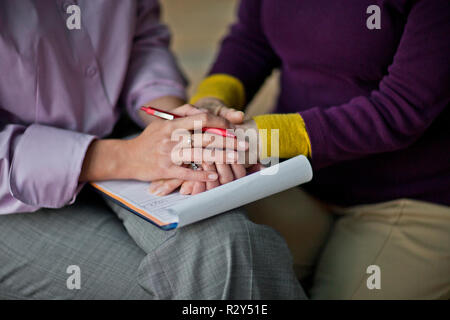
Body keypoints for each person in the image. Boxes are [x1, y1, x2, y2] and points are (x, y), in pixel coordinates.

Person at [0, 1, 306, 299]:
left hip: (130, 134)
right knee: (199, 278)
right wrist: (126, 157)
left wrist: (182, 129)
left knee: (227, 245)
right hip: (11, 196)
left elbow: (141, 41)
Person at [154, 0, 450, 299]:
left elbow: (402, 109)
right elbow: (251, 42)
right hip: (296, 177)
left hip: (412, 196)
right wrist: (210, 104)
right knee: (208, 272)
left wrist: (258, 139)